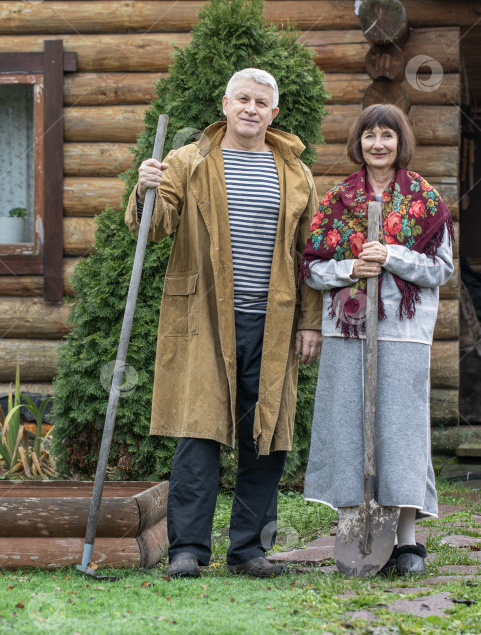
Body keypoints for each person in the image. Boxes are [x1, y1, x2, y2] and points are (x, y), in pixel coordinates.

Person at [125, 68, 323, 578]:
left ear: (273, 113)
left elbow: (310, 254)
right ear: (225, 104)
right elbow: (155, 226)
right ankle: (187, 550)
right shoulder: (186, 161)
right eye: (242, 99)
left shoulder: (295, 173)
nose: (250, 109)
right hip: (205, 320)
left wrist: (311, 321)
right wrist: (144, 190)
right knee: (199, 432)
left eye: (261, 102)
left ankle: (249, 551)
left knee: (265, 436)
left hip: (274, 322)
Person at [300, 103, 454, 575]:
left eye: (388, 135)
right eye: (370, 135)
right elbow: (311, 269)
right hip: (347, 332)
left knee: (402, 434)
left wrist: (392, 256)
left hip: (404, 333)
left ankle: (406, 543)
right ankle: (356, 530)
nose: (378, 144)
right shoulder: (338, 199)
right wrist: (352, 267)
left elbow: (441, 269)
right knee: (348, 428)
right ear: (359, 142)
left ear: (400, 142)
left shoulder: (423, 198)